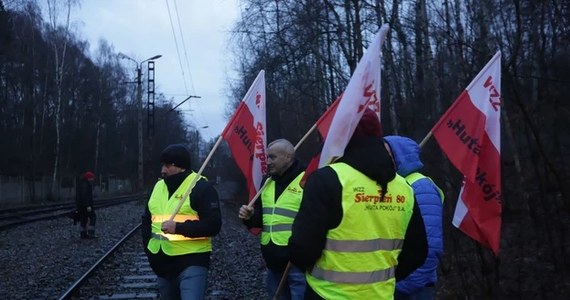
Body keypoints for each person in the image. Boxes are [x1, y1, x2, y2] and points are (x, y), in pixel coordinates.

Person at [289, 108, 428, 299]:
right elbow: (418, 252)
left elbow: (301, 250)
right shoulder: (404, 187)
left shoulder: (327, 179)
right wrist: (380, 278)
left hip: (328, 294)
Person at [141, 143, 222, 300]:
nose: (163, 170)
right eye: (162, 165)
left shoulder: (201, 188)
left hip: (192, 261)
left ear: (181, 166)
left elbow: (213, 225)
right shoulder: (157, 187)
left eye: (168, 166)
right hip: (162, 264)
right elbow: (146, 222)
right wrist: (148, 250)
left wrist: (178, 228)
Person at [238, 139, 307, 299]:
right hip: (272, 261)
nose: (268, 162)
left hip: (296, 263)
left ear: (288, 157)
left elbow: (313, 221)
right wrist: (249, 218)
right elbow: (262, 219)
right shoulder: (267, 181)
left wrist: (302, 252)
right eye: (267, 157)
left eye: (273, 157)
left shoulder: (306, 180)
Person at [384, 135, 445, 300]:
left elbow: (430, 246)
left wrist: (404, 287)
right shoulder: (396, 185)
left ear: (399, 155)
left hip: (414, 288)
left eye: (386, 153)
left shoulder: (420, 186)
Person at [76, 170, 97, 239]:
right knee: (93, 217)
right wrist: (88, 205)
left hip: (81, 206)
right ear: (88, 178)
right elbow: (85, 196)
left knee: (83, 219)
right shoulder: (86, 184)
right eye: (91, 178)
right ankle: (91, 233)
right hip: (86, 206)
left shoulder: (81, 183)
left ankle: (83, 234)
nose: (92, 179)